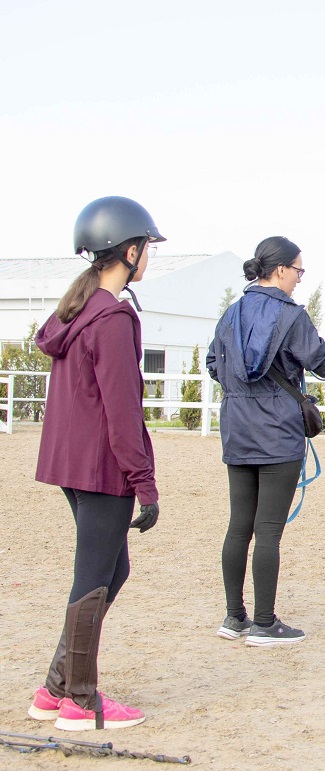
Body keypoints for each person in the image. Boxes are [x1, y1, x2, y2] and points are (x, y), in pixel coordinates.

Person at [28, 196, 165, 731]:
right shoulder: (111, 318)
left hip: (72, 463)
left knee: (111, 568)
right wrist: (145, 483)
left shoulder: (79, 310)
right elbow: (122, 409)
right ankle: (80, 701)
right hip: (103, 467)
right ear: (129, 252)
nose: (149, 255)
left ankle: (55, 686)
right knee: (94, 575)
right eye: (147, 246)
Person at [206, 237, 325, 647]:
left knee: (239, 527)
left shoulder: (230, 314)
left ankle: (234, 618)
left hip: (237, 429)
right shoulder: (292, 315)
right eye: (299, 271)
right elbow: (323, 363)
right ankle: (265, 624)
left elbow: (213, 364)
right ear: (280, 270)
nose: (299, 280)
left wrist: (243, 394)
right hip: (277, 435)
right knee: (268, 530)